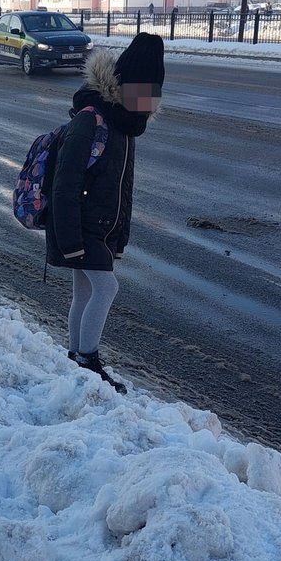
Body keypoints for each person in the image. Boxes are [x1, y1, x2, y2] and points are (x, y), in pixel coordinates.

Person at [45, 32, 165, 394]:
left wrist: (118, 237)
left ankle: (75, 357)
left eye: (152, 94)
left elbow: (120, 188)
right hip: (79, 226)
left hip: (99, 227)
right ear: (124, 84)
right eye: (142, 92)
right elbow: (64, 184)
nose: (146, 103)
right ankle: (88, 358)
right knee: (106, 287)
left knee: (84, 291)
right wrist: (70, 241)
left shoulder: (124, 123)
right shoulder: (91, 120)